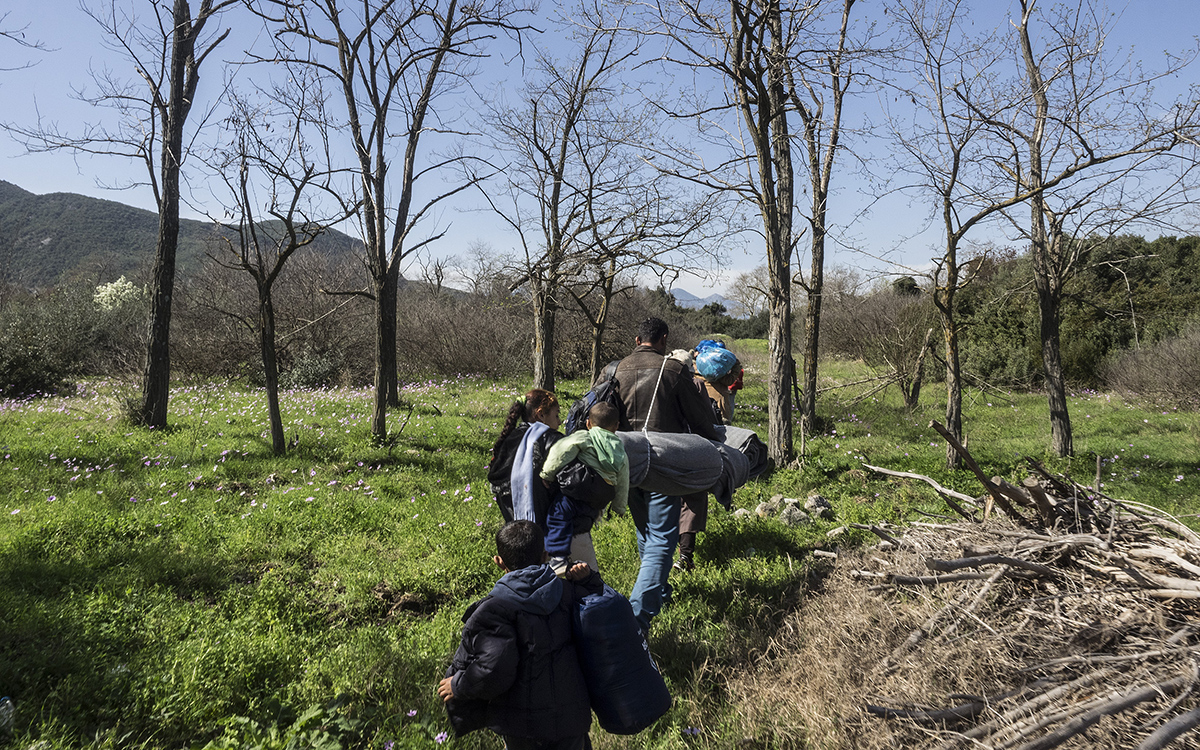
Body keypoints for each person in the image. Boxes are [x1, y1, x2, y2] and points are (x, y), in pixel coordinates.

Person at [439, 520, 602, 749]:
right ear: (545, 555)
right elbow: (599, 614)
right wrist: (589, 581)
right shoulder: (569, 592)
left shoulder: (496, 610)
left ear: (499, 562)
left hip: (523, 726)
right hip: (571, 718)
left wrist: (459, 685)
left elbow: (493, 669)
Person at [614, 317, 719, 633]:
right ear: (663, 340)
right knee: (662, 537)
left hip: (623, 460)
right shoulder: (673, 370)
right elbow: (700, 419)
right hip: (663, 461)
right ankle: (638, 617)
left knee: (645, 530)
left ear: (636, 340)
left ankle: (659, 590)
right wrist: (711, 445)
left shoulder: (614, 370)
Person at [488, 389, 600, 569]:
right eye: (556, 415)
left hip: (524, 541)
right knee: (589, 586)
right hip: (564, 535)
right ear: (541, 414)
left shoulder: (506, 443)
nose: (560, 421)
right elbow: (580, 485)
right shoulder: (556, 442)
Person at [538, 402, 629, 574]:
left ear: (588, 423)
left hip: (582, 487)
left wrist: (547, 474)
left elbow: (562, 451)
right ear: (616, 426)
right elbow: (623, 479)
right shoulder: (620, 449)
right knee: (583, 513)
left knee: (558, 514)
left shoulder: (585, 437)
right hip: (601, 496)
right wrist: (619, 507)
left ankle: (558, 557)